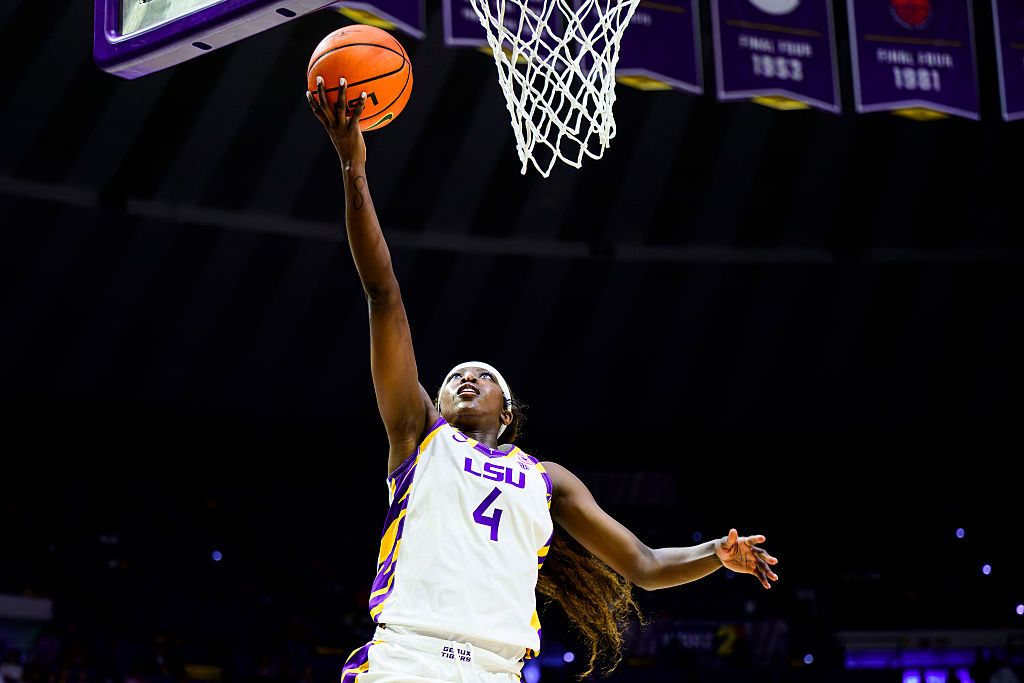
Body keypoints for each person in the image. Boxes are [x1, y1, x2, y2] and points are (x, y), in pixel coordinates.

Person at [307, 75, 780, 683]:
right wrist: (353, 169)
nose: (467, 379)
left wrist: (716, 553)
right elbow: (383, 293)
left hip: (498, 671)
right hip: (409, 658)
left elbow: (642, 562)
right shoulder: (418, 434)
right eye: (455, 378)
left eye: (483, 376)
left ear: (507, 412)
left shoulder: (545, 478)